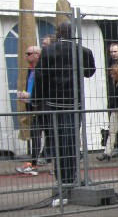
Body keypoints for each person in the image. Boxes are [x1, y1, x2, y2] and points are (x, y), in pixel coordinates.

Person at [33, 21, 95, 200]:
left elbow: (40, 76)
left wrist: (36, 100)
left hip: (54, 103)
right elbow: (90, 72)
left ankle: (62, 180)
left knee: (58, 143)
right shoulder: (83, 51)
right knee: (73, 141)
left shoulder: (48, 51)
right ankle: (72, 177)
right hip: (75, 103)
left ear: (58, 34)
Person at [15, 45, 43, 176]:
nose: (26, 56)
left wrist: (30, 96)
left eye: (28, 53)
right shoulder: (30, 70)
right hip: (34, 107)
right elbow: (30, 87)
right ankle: (34, 163)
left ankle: (41, 163)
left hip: (43, 107)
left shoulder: (42, 70)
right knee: (35, 134)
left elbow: (44, 90)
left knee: (50, 136)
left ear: (37, 55)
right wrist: (25, 95)